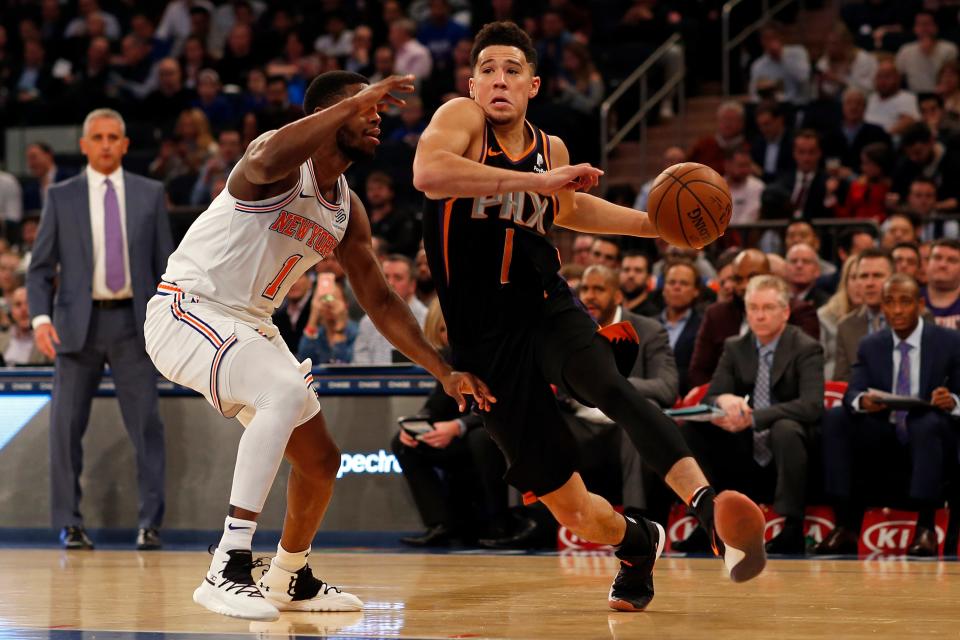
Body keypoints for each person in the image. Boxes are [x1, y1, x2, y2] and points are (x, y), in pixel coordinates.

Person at [413, 21, 767, 613]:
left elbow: (573, 212)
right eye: (489, 70)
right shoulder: (461, 121)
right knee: (573, 508)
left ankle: (707, 509)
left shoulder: (550, 149)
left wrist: (659, 225)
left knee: (610, 386)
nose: (500, 79)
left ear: (534, 85)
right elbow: (429, 174)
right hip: (484, 345)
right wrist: (537, 181)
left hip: (544, 304)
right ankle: (638, 542)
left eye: (513, 70)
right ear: (472, 84)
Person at [143, 72, 493, 621]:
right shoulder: (276, 165)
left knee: (322, 460)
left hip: (251, 323)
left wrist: (442, 371)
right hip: (188, 308)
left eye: (377, 112)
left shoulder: (346, 209)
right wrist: (352, 101)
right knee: (282, 392)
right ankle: (229, 564)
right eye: (365, 111)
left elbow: (379, 300)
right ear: (331, 114)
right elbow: (264, 152)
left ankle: (289, 574)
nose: (377, 120)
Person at [27, 109, 172, 551]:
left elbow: (168, 267)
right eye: (98, 137)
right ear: (84, 144)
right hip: (75, 327)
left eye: (114, 137)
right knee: (66, 429)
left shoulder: (151, 194)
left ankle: (150, 524)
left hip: (134, 324)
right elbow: (38, 270)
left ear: (125, 145)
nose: (106, 144)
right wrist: (40, 319)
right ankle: (69, 523)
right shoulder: (61, 196)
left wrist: (171, 322)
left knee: (147, 425)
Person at [817, 274, 960, 557]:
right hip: (885, 430)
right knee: (836, 418)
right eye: (889, 303)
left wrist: (952, 400)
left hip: (933, 433)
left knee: (924, 421)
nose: (896, 310)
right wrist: (863, 400)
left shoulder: (949, 341)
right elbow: (852, 391)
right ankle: (845, 525)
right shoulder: (871, 344)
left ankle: (926, 528)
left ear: (920, 304)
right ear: (881, 307)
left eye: (905, 302)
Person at [682, 276, 824, 555]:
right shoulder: (736, 346)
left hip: (789, 444)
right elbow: (711, 395)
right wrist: (725, 399)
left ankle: (792, 527)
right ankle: (707, 522)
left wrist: (755, 417)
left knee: (785, 427)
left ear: (785, 312)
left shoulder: (805, 347)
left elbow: (811, 405)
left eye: (768, 307)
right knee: (690, 430)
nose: (760, 315)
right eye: (754, 308)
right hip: (744, 445)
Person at [392, 298, 507, 547]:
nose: (448, 336)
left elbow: (500, 405)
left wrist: (458, 426)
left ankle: (501, 524)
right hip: (458, 437)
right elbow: (435, 405)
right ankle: (440, 524)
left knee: (481, 439)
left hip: (493, 435)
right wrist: (416, 425)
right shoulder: (446, 360)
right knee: (403, 443)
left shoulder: (493, 354)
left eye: (452, 328)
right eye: (442, 330)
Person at [688, 249, 819, 389]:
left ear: (770, 277)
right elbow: (699, 371)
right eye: (738, 279)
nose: (745, 285)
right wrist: (720, 399)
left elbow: (803, 372)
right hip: (728, 403)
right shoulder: (716, 314)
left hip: (782, 400)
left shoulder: (799, 312)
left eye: (753, 277)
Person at [352, 254, 429, 364]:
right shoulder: (368, 321)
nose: (390, 283)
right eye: (385, 277)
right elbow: (361, 366)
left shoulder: (427, 319)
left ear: (412, 285)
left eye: (398, 278)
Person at [833, 248, 894, 382]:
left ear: (893, 279)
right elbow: (841, 380)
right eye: (863, 276)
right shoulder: (845, 326)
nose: (869, 283)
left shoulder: (918, 319)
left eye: (877, 276)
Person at [659, 261, 703, 397]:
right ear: (663, 289)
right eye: (671, 282)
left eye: (684, 283)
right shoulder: (647, 324)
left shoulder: (704, 326)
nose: (677, 287)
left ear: (696, 291)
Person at [818, 257, 863, 381]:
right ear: (845, 282)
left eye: (863, 277)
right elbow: (817, 363)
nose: (859, 284)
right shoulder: (825, 316)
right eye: (853, 277)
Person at [297, 276, 358, 364]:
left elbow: (342, 363)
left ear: (345, 304)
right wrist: (313, 315)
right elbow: (303, 360)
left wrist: (339, 327)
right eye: (324, 298)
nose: (328, 303)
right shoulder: (318, 333)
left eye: (334, 298)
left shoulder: (356, 332)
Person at [0, 286, 51, 366]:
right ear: (11, 311)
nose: (24, 309)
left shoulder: (49, 341)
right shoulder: (1, 339)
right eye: (18, 304)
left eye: (29, 303)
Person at [922, 239, 960, 329]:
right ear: (927, 263)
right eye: (937, 258)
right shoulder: (910, 298)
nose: (942, 265)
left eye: (952, 260)